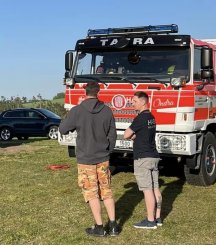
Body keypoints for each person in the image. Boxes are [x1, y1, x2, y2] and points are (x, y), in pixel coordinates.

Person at [59, 81, 120, 237]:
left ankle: (99, 227)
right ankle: (113, 225)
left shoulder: (77, 110)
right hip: (103, 158)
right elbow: (112, 135)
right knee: (106, 191)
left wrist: (72, 112)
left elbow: (63, 129)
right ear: (98, 92)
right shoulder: (107, 111)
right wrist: (107, 150)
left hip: (86, 159)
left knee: (91, 193)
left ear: (85, 93)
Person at [123, 91, 162, 229]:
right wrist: (136, 136)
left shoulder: (140, 118)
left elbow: (126, 134)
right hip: (153, 156)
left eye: (134, 101)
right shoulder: (151, 117)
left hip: (143, 158)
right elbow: (144, 134)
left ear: (143, 102)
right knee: (155, 187)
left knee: (147, 190)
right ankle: (158, 217)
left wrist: (132, 136)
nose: (132, 103)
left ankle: (150, 221)